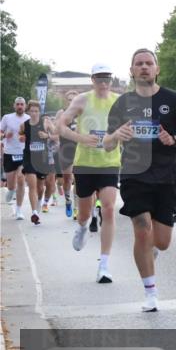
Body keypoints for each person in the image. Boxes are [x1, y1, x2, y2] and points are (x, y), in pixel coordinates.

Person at [103, 49, 176, 312]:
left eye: (149, 63)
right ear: (131, 71)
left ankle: (151, 250)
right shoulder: (122, 104)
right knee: (142, 230)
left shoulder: (173, 100)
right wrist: (116, 135)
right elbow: (108, 145)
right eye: (138, 64)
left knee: (162, 241)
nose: (144, 67)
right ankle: (151, 293)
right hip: (135, 176)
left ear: (157, 69)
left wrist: (175, 139)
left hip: (168, 176)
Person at [60, 65, 122, 283]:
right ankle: (83, 226)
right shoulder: (82, 100)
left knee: (108, 208)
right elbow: (61, 125)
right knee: (85, 213)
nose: (104, 82)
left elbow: (130, 126)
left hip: (109, 162)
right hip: (85, 164)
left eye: (107, 78)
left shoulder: (119, 101)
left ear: (111, 80)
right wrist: (81, 138)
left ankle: (104, 265)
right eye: (99, 78)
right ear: (92, 79)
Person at [18, 101, 51, 224]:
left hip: (42, 158)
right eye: (32, 111)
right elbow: (20, 135)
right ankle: (34, 212)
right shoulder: (23, 125)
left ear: (39, 112)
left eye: (36, 111)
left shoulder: (46, 122)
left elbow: (57, 135)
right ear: (28, 112)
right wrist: (21, 138)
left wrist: (47, 135)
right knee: (32, 186)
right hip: (29, 158)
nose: (34, 113)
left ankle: (38, 205)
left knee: (40, 187)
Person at [1, 96, 30, 220]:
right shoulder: (7, 117)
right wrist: (4, 135)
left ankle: (18, 210)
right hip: (9, 153)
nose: (19, 106)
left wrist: (26, 138)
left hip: (23, 153)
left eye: (22, 104)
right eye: (17, 104)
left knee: (21, 180)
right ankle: (11, 190)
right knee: (12, 184)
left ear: (25, 106)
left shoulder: (28, 119)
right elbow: (0, 132)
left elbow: (33, 135)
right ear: (14, 106)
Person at [56, 91, 80, 218]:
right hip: (66, 149)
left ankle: (76, 207)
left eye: (74, 99)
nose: (72, 102)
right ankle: (68, 200)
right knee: (67, 179)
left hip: (79, 149)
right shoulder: (61, 113)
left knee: (77, 179)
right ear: (66, 101)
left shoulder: (82, 113)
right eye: (69, 100)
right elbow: (57, 129)